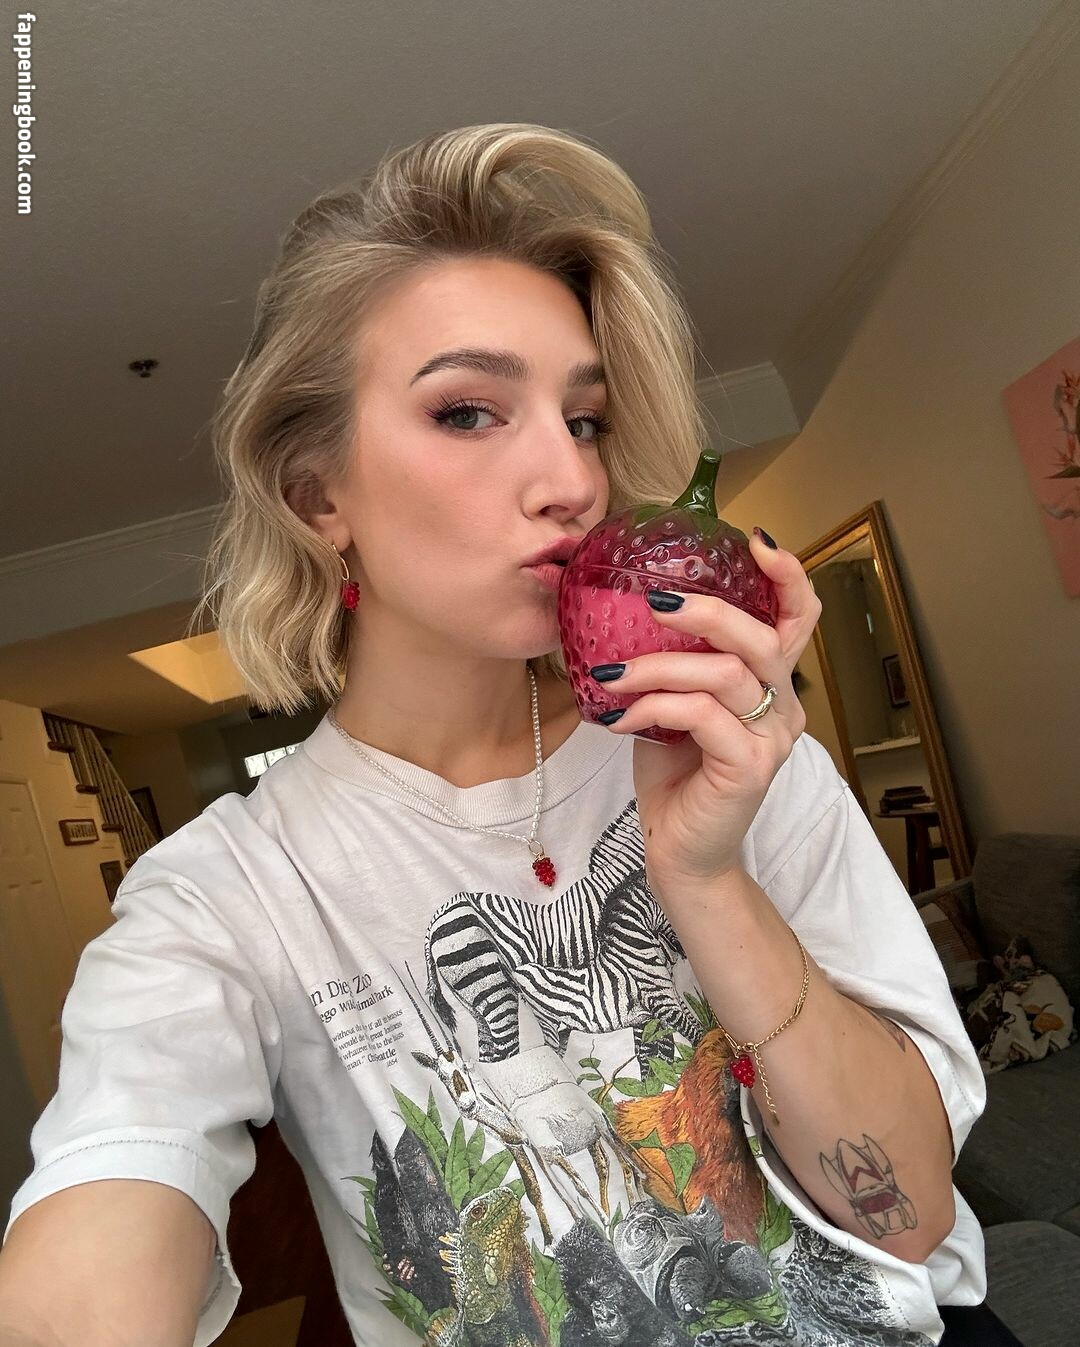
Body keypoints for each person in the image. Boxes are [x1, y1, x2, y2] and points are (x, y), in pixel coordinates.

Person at [0, 123, 999, 1347]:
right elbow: (113, 1180)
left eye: (583, 420)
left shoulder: (726, 747)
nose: (571, 481)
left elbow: (908, 1216)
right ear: (317, 493)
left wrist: (706, 879)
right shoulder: (226, 897)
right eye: (469, 411)